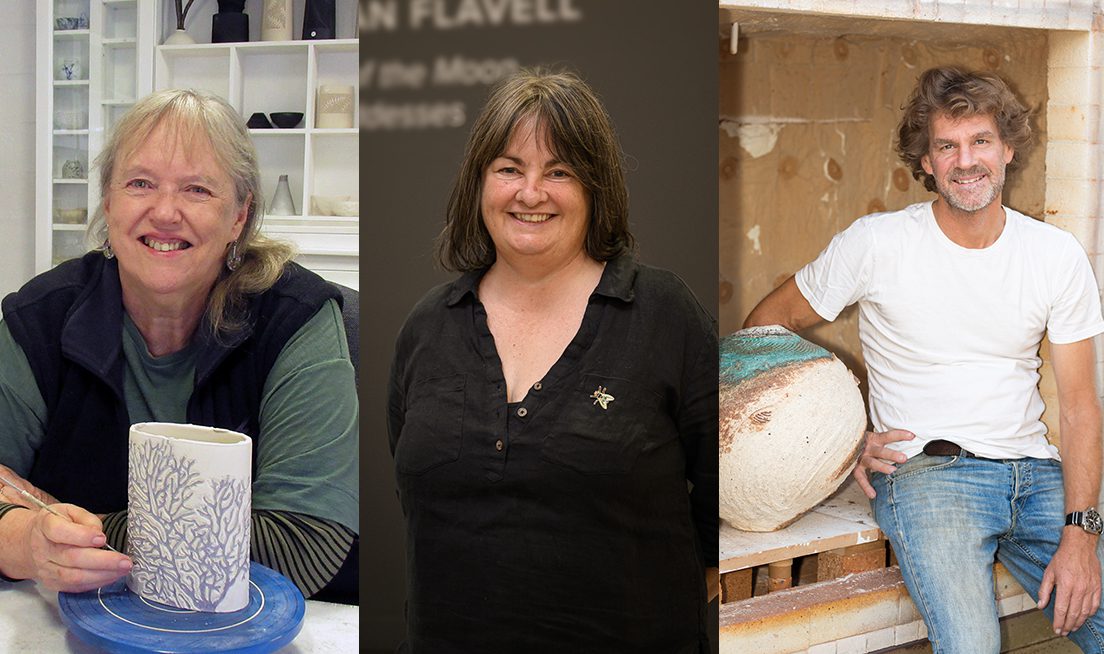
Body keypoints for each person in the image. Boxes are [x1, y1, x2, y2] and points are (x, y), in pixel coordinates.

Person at [745, 66, 1104, 652]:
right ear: (927, 162)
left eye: (980, 141)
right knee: (971, 647)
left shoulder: (1055, 255)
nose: (966, 161)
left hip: (1037, 475)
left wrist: (1081, 537)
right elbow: (765, 324)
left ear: (1008, 148)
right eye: (947, 146)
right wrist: (841, 438)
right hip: (930, 476)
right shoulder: (877, 243)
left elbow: (1084, 408)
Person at [388, 69, 718, 652]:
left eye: (558, 171)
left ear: (596, 188)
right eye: (509, 168)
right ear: (480, 183)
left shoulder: (663, 315)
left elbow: (721, 496)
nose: (530, 192)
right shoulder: (428, 326)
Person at [0, 88, 359, 600]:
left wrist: (74, 527)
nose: (165, 212)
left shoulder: (296, 319)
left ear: (239, 216)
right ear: (109, 202)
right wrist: (24, 541)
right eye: (140, 183)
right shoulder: (41, 318)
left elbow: (304, 544)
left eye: (196, 189)